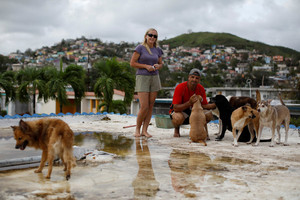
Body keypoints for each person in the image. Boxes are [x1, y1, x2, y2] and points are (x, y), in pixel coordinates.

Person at [130, 28, 163, 138]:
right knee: (144, 106)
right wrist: (146, 66)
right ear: (146, 36)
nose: (152, 37)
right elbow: (132, 63)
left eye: (155, 36)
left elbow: (161, 63)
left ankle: (145, 130)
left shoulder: (157, 50)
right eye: (150, 35)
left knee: (150, 105)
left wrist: (158, 66)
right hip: (142, 78)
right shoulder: (140, 48)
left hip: (154, 77)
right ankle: (137, 129)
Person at [169, 68, 216, 137]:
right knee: (177, 118)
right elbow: (175, 108)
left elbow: (204, 105)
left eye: (197, 78)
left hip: (194, 111)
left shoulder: (201, 88)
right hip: (181, 111)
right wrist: (189, 103)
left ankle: (198, 129)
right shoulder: (180, 87)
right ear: (188, 77)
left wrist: (214, 105)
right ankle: (176, 129)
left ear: (199, 80)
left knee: (209, 115)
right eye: (192, 77)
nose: (194, 79)